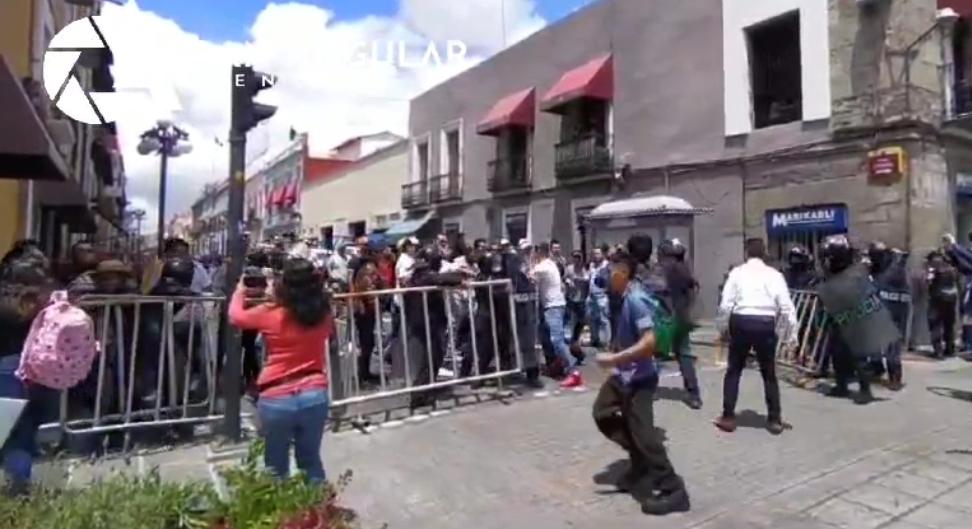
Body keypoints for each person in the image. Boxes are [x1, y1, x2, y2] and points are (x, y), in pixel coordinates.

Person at [591, 235, 690, 516]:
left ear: (623, 275)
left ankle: (673, 489)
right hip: (623, 376)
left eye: (612, 273)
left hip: (640, 379)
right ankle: (640, 462)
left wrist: (614, 358)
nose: (608, 277)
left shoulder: (636, 300)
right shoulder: (623, 297)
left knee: (645, 435)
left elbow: (649, 343)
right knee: (602, 413)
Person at [228, 257, 333, 484]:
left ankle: (283, 516)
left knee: (275, 466)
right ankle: (320, 514)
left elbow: (236, 317)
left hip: (276, 396)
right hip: (314, 393)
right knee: (310, 460)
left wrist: (239, 292)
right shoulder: (323, 314)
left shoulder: (271, 312)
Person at [715, 238, 797, 435]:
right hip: (765, 323)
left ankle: (728, 416)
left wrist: (722, 328)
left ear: (746, 253)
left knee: (734, 370)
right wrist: (790, 335)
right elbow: (786, 307)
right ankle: (774, 419)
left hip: (741, 320)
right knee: (769, 373)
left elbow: (726, 304)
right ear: (764, 253)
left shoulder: (736, 273)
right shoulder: (775, 275)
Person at [655, 239, 702, 410]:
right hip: (681, 317)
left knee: (656, 353)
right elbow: (694, 288)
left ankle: (648, 389)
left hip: (666, 319)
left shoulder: (663, 272)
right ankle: (693, 394)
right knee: (683, 355)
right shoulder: (684, 269)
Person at [534, 242, 583, 388]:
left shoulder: (542, 267)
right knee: (544, 336)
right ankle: (556, 366)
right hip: (552, 305)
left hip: (552, 306)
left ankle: (573, 371)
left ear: (539, 253)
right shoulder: (551, 264)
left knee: (557, 340)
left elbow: (528, 278)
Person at [926, 249, 959, 359]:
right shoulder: (951, 268)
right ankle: (950, 349)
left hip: (937, 298)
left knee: (935, 325)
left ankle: (938, 351)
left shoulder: (933, 268)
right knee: (949, 325)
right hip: (951, 299)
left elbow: (928, 281)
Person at [565, 251, 589, 353]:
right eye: (575, 257)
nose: (576, 259)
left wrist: (578, 279)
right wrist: (569, 281)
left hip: (581, 298)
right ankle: (572, 339)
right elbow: (565, 278)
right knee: (571, 318)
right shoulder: (569, 268)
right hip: (571, 297)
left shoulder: (583, 269)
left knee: (581, 320)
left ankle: (575, 337)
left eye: (578, 257)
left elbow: (587, 279)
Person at [587, 246, 611, 349]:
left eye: (598, 253)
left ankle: (607, 342)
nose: (596, 256)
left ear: (602, 254)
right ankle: (594, 339)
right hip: (592, 295)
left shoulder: (607, 265)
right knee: (592, 318)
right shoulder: (592, 265)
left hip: (602, 295)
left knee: (604, 319)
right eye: (594, 254)